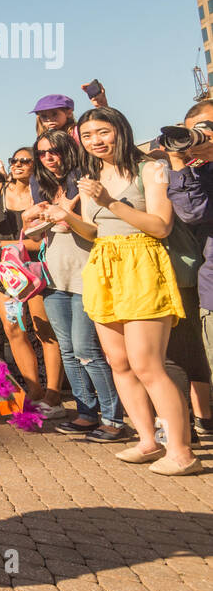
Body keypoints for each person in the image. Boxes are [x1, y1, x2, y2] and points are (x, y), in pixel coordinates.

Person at [45, 107, 199, 474]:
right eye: (87, 135)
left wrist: (109, 202)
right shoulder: (91, 174)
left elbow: (160, 226)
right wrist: (66, 217)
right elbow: (96, 232)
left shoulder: (150, 167)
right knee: (119, 363)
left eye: (103, 132)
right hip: (102, 266)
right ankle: (147, 441)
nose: (95, 140)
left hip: (142, 264)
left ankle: (181, 452)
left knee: (148, 365)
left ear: (120, 130)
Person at [24, 130, 127, 441]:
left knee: (88, 350)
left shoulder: (85, 180)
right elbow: (32, 238)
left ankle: (113, 419)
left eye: (54, 150)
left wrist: (66, 212)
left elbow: (96, 231)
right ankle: (85, 414)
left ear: (69, 150)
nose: (48, 157)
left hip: (87, 274)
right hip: (54, 276)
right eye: (42, 153)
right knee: (68, 351)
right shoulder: (42, 186)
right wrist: (31, 218)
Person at [0, 146, 65, 413]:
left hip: (35, 267)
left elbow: (44, 241)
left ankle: (53, 394)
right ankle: (34, 390)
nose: (18, 164)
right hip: (6, 270)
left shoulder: (45, 193)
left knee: (43, 331)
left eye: (25, 161)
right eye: (15, 160)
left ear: (35, 165)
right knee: (14, 331)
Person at [162, 99, 213, 438]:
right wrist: (179, 161)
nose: (204, 135)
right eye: (197, 130)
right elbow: (192, 213)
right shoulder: (197, 171)